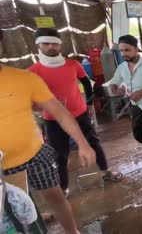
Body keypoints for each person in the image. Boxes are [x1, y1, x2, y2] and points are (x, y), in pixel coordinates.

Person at [0, 64, 96, 234]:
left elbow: (60, 112)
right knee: (11, 212)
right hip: (4, 166)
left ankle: (72, 231)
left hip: (34, 153)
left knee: (55, 196)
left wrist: (83, 143)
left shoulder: (25, 78)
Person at [28, 28, 123, 197]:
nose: (51, 47)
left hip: (79, 113)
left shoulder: (73, 64)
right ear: (38, 46)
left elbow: (86, 82)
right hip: (53, 118)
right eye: (46, 44)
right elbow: (29, 99)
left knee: (94, 143)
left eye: (54, 44)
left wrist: (87, 100)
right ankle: (64, 188)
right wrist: (40, 107)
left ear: (60, 45)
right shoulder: (33, 72)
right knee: (59, 154)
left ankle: (106, 171)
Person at [109, 35, 142, 180]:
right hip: (135, 106)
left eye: (127, 50)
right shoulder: (122, 67)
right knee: (138, 135)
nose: (124, 54)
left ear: (136, 49)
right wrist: (116, 88)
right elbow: (114, 82)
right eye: (121, 51)